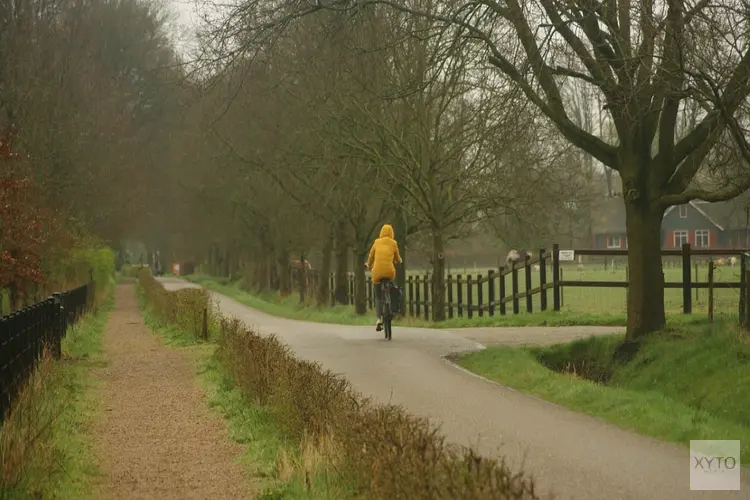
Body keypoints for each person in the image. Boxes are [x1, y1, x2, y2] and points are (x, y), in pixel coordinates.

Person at [366, 224, 403, 331]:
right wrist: (399, 261)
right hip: (389, 272)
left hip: (377, 272)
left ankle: (378, 319)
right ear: (392, 233)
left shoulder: (376, 242)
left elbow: (371, 256)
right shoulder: (394, 243)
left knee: (378, 296)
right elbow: (398, 258)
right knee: (393, 287)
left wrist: (368, 264)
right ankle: (392, 306)